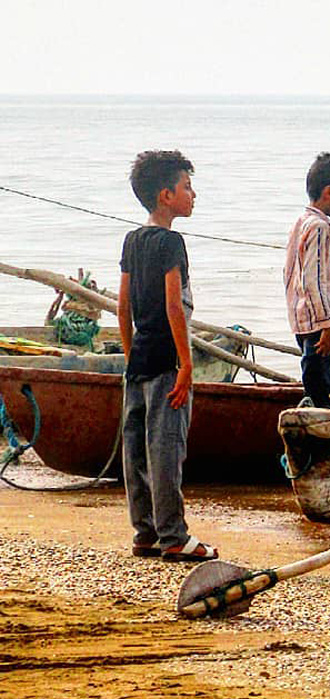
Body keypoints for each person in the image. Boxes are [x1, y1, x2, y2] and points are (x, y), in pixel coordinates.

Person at [119, 150, 218, 561]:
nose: (193, 195)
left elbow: (123, 307)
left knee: (135, 450)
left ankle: (145, 531)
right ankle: (173, 535)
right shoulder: (170, 242)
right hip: (166, 362)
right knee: (166, 448)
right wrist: (186, 364)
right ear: (166, 195)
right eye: (187, 188)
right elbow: (174, 305)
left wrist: (129, 357)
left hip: (138, 360)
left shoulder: (133, 240)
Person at [284, 152, 330, 407]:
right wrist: (328, 324)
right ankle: (320, 427)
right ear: (328, 192)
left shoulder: (301, 223)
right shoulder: (319, 228)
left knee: (320, 377)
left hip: (304, 319)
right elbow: (313, 279)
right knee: (321, 385)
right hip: (318, 321)